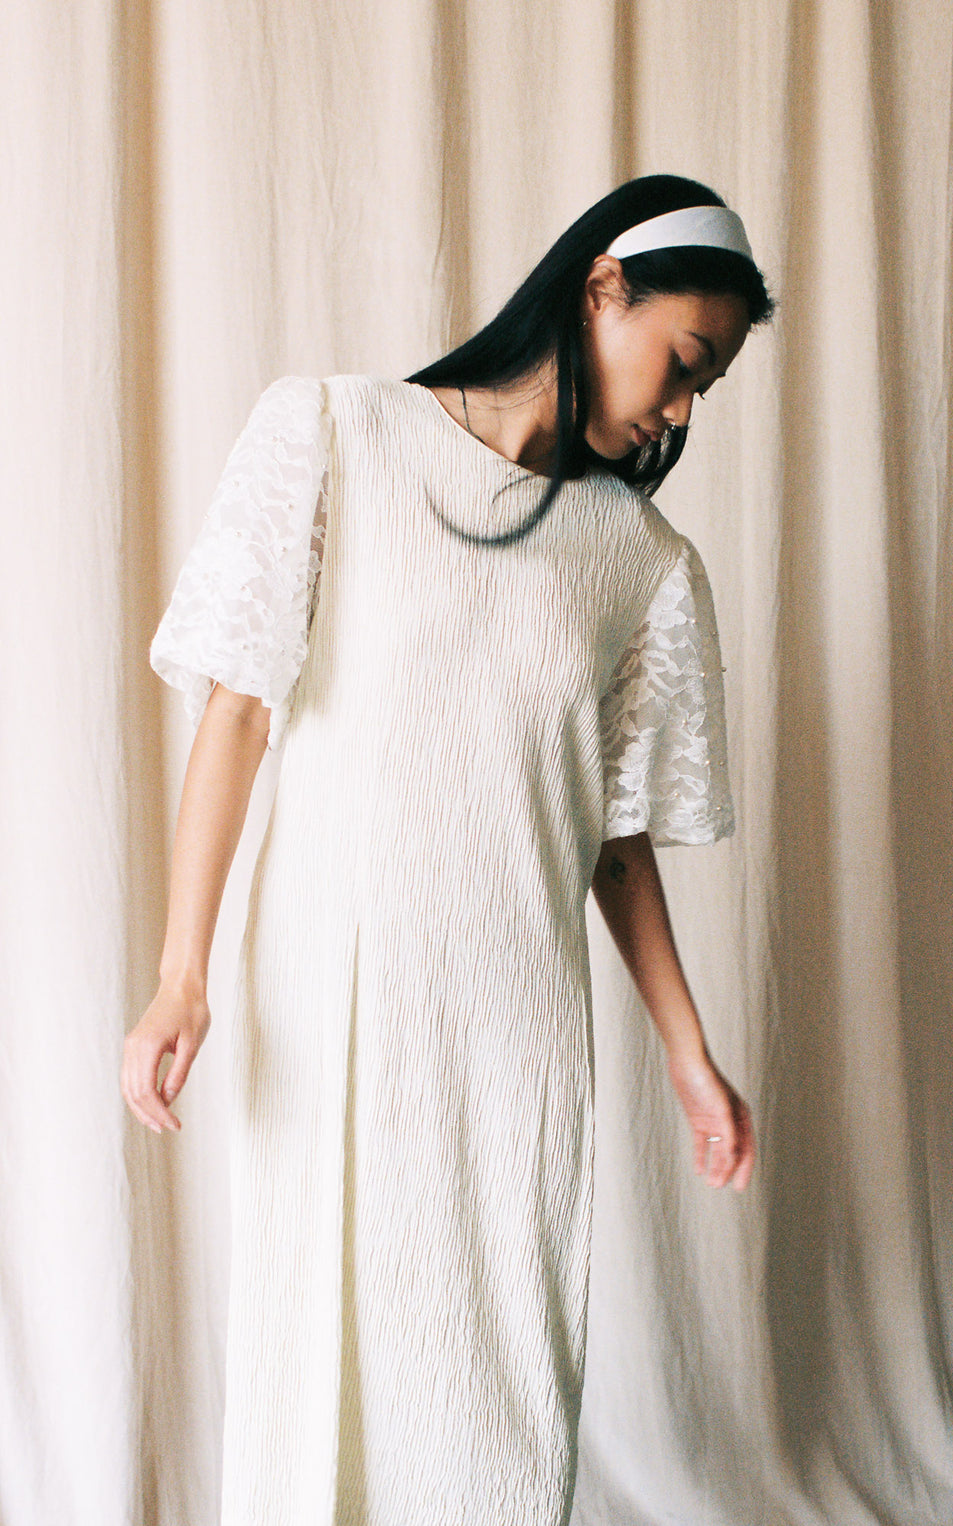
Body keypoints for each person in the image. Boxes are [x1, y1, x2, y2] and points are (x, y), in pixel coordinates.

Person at [122, 174, 772, 1526]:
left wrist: (686, 1049)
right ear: (604, 288)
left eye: (707, 383)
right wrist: (180, 973)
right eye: (685, 361)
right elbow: (238, 708)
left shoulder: (638, 559)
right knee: (320, 1359)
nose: (684, 408)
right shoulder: (334, 435)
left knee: (498, 1385)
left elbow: (614, 838)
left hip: (514, 1034)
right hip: (330, 1001)